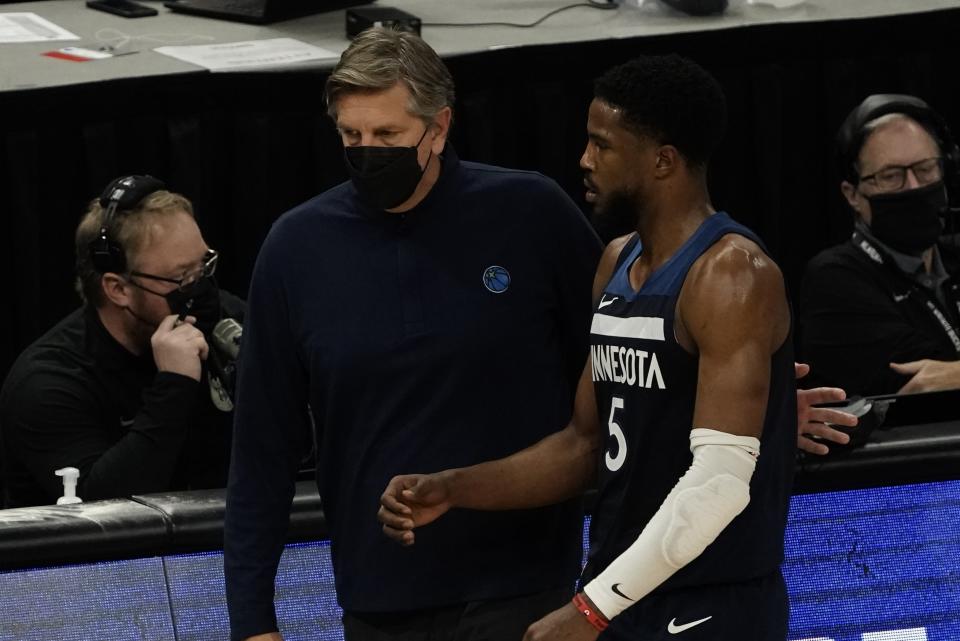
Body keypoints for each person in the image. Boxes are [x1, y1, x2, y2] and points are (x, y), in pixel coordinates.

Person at [378, 54, 802, 641]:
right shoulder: (616, 261)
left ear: (662, 161)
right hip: (623, 589)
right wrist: (454, 487)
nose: (584, 160)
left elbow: (720, 485)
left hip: (710, 602)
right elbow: (585, 445)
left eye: (602, 145)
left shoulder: (731, 275)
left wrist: (588, 611)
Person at [222, 28, 604, 641]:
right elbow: (262, 448)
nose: (367, 150)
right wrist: (252, 621)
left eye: (388, 135)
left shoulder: (531, 213)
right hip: (379, 597)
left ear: (439, 127)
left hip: (525, 587)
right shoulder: (296, 249)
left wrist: (753, 411)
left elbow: (628, 354)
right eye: (352, 135)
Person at [0, 175, 243, 508]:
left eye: (203, 266)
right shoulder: (47, 383)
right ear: (118, 289)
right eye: (182, 277)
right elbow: (106, 515)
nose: (200, 287)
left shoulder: (223, 322)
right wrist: (174, 387)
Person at [800, 94, 960, 397]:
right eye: (892, 176)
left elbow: (947, 373)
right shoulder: (835, 280)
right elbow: (918, 383)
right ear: (853, 195)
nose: (914, 187)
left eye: (926, 169)